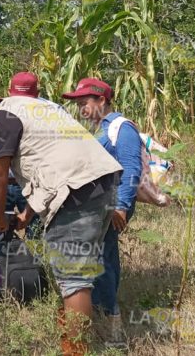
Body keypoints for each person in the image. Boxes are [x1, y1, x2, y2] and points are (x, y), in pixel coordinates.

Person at [0, 93, 122, 356]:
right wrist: (26, 215)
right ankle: (92, 333)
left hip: (77, 190)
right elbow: (49, 167)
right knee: (82, 270)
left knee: (74, 279)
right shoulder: (33, 108)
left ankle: (76, 350)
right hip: (99, 182)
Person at [62, 78, 142, 347]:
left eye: (85, 103)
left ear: (102, 100)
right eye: (78, 104)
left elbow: (131, 171)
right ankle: (98, 316)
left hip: (112, 206)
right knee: (98, 258)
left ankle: (111, 327)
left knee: (104, 261)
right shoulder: (98, 129)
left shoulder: (122, 128)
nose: (81, 108)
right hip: (97, 206)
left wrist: (122, 206)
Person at [0, 72, 42, 240]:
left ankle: (32, 267)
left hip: (30, 185)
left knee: (36, 234)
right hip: (6, 185)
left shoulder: (47, 113)